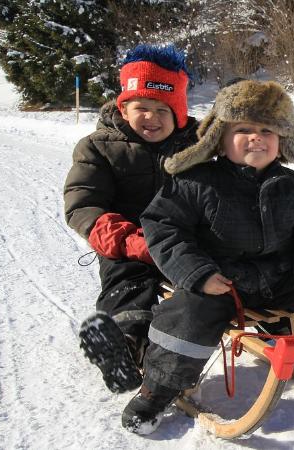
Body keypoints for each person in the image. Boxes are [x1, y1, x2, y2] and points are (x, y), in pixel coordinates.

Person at [124, 80, 294, 434]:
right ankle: (157, 389)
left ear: (282, 140)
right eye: (244, 129)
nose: (257, 138)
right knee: (187, 315)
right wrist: (198, 273)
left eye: (267, 130)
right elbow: (163, 227)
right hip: (221, 282)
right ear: (220, 138)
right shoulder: (196, 181)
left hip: (282, 278)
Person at [63, 44, 199, 395]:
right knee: (128, 281)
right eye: (141, 107)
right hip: (129, 242)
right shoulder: (99, 147)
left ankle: (281, 329)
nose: (150, 117)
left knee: (232, 273)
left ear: (179, 113)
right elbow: (83, 204)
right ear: (124, 108)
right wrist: (126, 240)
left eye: (161, 110)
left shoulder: (197, 147)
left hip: (185, 242)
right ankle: (123, 345)